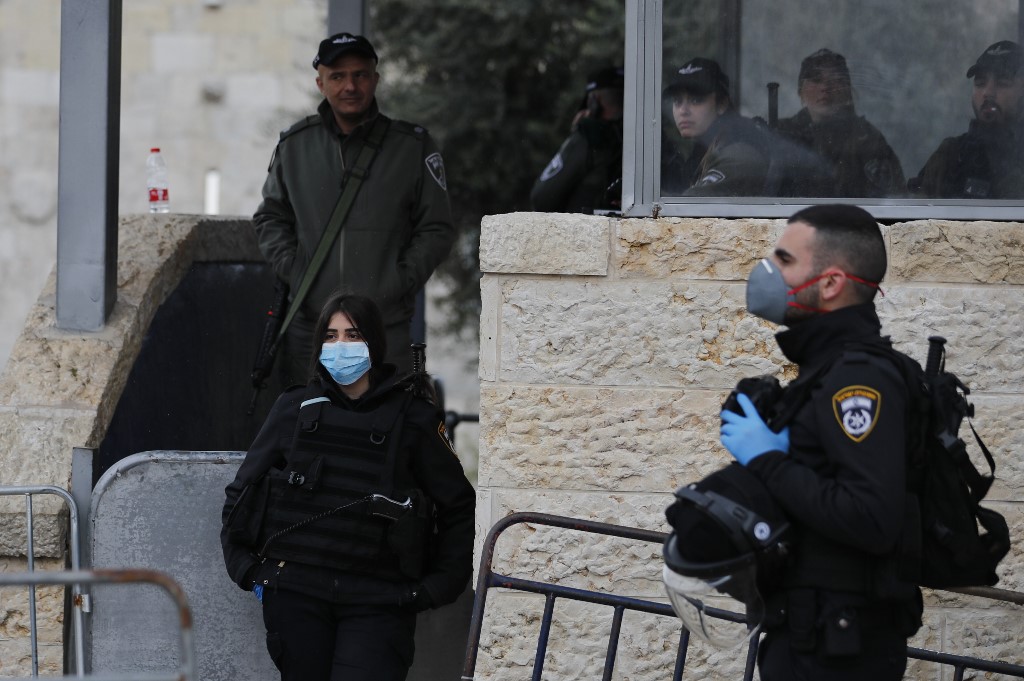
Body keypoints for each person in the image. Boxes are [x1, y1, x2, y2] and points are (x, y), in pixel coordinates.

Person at [221, 292, 475, 681]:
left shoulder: (413, 418)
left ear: (373, 341)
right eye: (331, 335)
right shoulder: (294, 408)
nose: (341, 346)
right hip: (298, 598)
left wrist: (434, 589)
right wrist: (249, 571)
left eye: (353, 335)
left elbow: (458, 507)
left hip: (377, 603)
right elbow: (241, 496)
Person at [718, 205, 922, 679]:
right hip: (814, 638)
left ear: (829, 284)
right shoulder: (826, 368)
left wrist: (768, 459)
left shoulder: (859, 378)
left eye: (785, 259)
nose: (768, 270)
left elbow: (872, 518)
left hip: (837, 651)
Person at [254, 33, 455, 382]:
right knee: (309, 428)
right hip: (312, 330)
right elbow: (270, 218)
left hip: (385, 329)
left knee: (386, 429)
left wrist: (398, 281)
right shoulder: (295, 146)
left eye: (360, 75)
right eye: (338, 76)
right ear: (320, 83)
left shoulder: (412, 147)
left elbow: (436, 227)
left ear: (375, 79)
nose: (350, 85)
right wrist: (297, 271)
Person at [776, 49, 905, 198]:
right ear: (801, 91)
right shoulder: (781, 134)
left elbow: (892, 202)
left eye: (835, 80)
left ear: (847, 90)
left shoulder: (868, 140)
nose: (825, 88)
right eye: (816, 79)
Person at [910, 40, 1024, 198]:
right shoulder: (950, 155)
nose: (988, 92)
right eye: (980, 83)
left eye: (1002, 83)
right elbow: (915, 209)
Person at [660, 58, 771, 196]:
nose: (683, 110)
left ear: (722, 104)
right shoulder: (702, 150)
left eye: (696, 100)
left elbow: (691, 206)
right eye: (677, 101)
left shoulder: (739, 151)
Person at [530, 67, 625, 213]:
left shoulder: (589, 136)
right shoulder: (646, 137)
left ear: (594, 101)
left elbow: (541, 198)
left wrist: (580, 132)